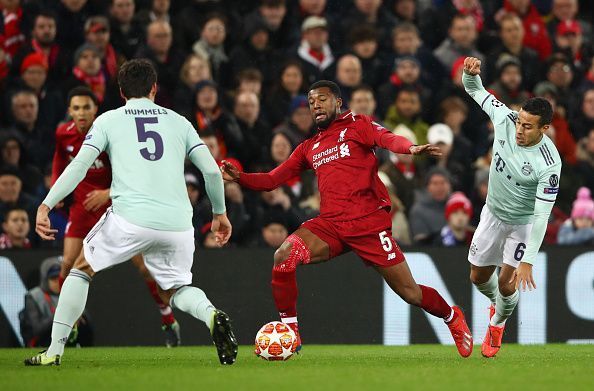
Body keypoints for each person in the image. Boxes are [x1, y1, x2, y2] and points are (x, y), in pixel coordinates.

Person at [222, 80, 473, 358]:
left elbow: (388, 138)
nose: (316, 105)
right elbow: (272, 179)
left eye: (322, 99)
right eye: (312, 101)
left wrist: (409, 148)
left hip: (368, 224)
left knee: (410, 293)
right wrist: (241, 178)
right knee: (284, 256)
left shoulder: (358, 125)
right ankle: (291, 333)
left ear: (338, 102)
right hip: (330, 226)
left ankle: (452, 316)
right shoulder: (309, 147)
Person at [24, 59, 237, 366]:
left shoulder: (108, 120)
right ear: (154, 88)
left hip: (130, 218)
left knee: (79, 271)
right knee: (176, 289)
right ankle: (211, 315)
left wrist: (45, 204)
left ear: (121, 92)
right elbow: (213, 174)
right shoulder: (180, 122)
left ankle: (53, 352)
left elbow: (80, 166)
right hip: (177, 223)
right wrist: (220, 213)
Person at [52, 86, 183, 347]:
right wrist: (57, 189)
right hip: (81, 209)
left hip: (119, 206)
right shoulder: (62, 134)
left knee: (145, 268)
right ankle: (71, 327)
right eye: (76, 108)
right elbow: (60, 160)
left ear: (95, 109)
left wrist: (107, 192)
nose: (81, 113)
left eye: (86, 107)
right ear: (69, 111)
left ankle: (168, 319)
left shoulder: (110, 133)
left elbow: (135, 171)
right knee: (67, 264)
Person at [462, 57, 562, 358]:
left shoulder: (549, 164)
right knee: (477, 278)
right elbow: (475, 91)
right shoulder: (506, 120)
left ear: (544, 128)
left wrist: (529, 260)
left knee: (507, 283)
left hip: (521, 223)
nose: (519, 130)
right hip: (492, 212)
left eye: (528, 127)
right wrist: (470, 74)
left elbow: (543, 215)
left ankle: (497, 323)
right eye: (520, 121)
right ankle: (499, 303)